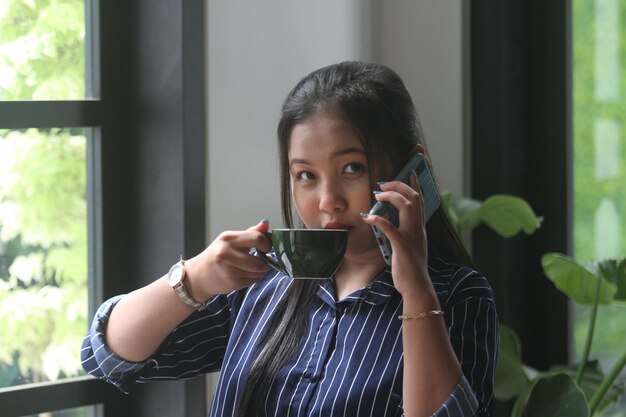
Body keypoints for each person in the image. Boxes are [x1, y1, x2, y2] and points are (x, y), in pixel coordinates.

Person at [81, 61, 498, 417]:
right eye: (306, 176)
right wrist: (197, 276)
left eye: (352, 168)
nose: (328, 201)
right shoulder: (264, 282)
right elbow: (109, 356)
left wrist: (416, 291)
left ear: (412, 170)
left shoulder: (458, 296)